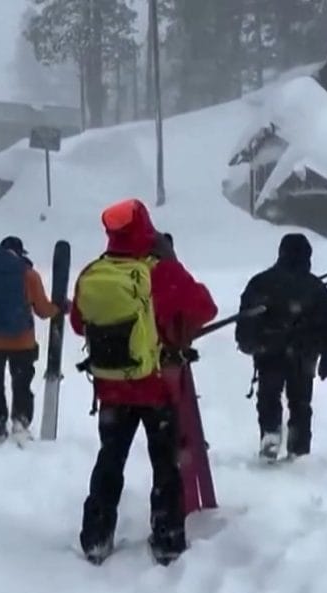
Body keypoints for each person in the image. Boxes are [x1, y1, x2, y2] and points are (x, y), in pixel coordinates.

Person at [70, 199, 217, 566]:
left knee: (110, 459)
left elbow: (78, 322)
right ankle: (167, 540)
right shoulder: (162, 272)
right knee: (166, 463)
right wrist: (172, 264)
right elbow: (205, 309)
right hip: (157, 386)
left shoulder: (95, 271)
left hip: (112, 389)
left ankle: (96, 537)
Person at [234, 233, 327, 461]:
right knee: (300, 401)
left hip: (269, 350)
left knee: (269, 396)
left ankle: (271, 434)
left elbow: (246, 315)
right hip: (304, 353)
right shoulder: (316, 287)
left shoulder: (261, 282)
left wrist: (247, 341)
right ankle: (299, 446)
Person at [0, 235, 62, 442]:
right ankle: (21, 420)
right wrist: (59, 309)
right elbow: (43, 310)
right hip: (22, 342)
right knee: (21, 383)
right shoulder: (28, 274)